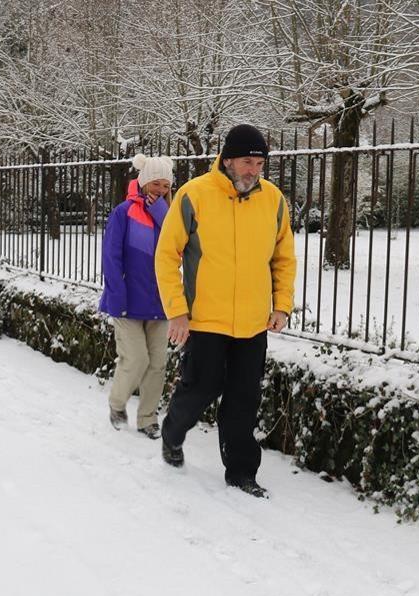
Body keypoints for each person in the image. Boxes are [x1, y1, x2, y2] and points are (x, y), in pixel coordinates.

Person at [154, 124, 297, 498]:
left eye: (260, 163)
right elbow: (167, 255)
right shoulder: (194, 195)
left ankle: (241, 472)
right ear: (228, 160)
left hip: (252, 323)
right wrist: (177, 311)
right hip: (205, 319)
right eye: (247, 162)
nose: (254, 170)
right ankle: (172, 433)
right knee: (200, 388)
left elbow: (283, 259)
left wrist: (281, 305)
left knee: (243, 399)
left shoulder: (273, 200)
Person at [99, 153, 175, 439]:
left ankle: (147, 419)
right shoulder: (124, 212)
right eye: (156, 183)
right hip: (127, 301)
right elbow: (111, 256)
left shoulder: (169, 215)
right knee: (136, 359)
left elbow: (177, 249)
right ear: (143, 182)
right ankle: (117, 404)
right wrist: (116, 294)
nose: (160, 190)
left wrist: (160, 214)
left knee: (157, 364)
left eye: (166, 186)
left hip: (160, 302)